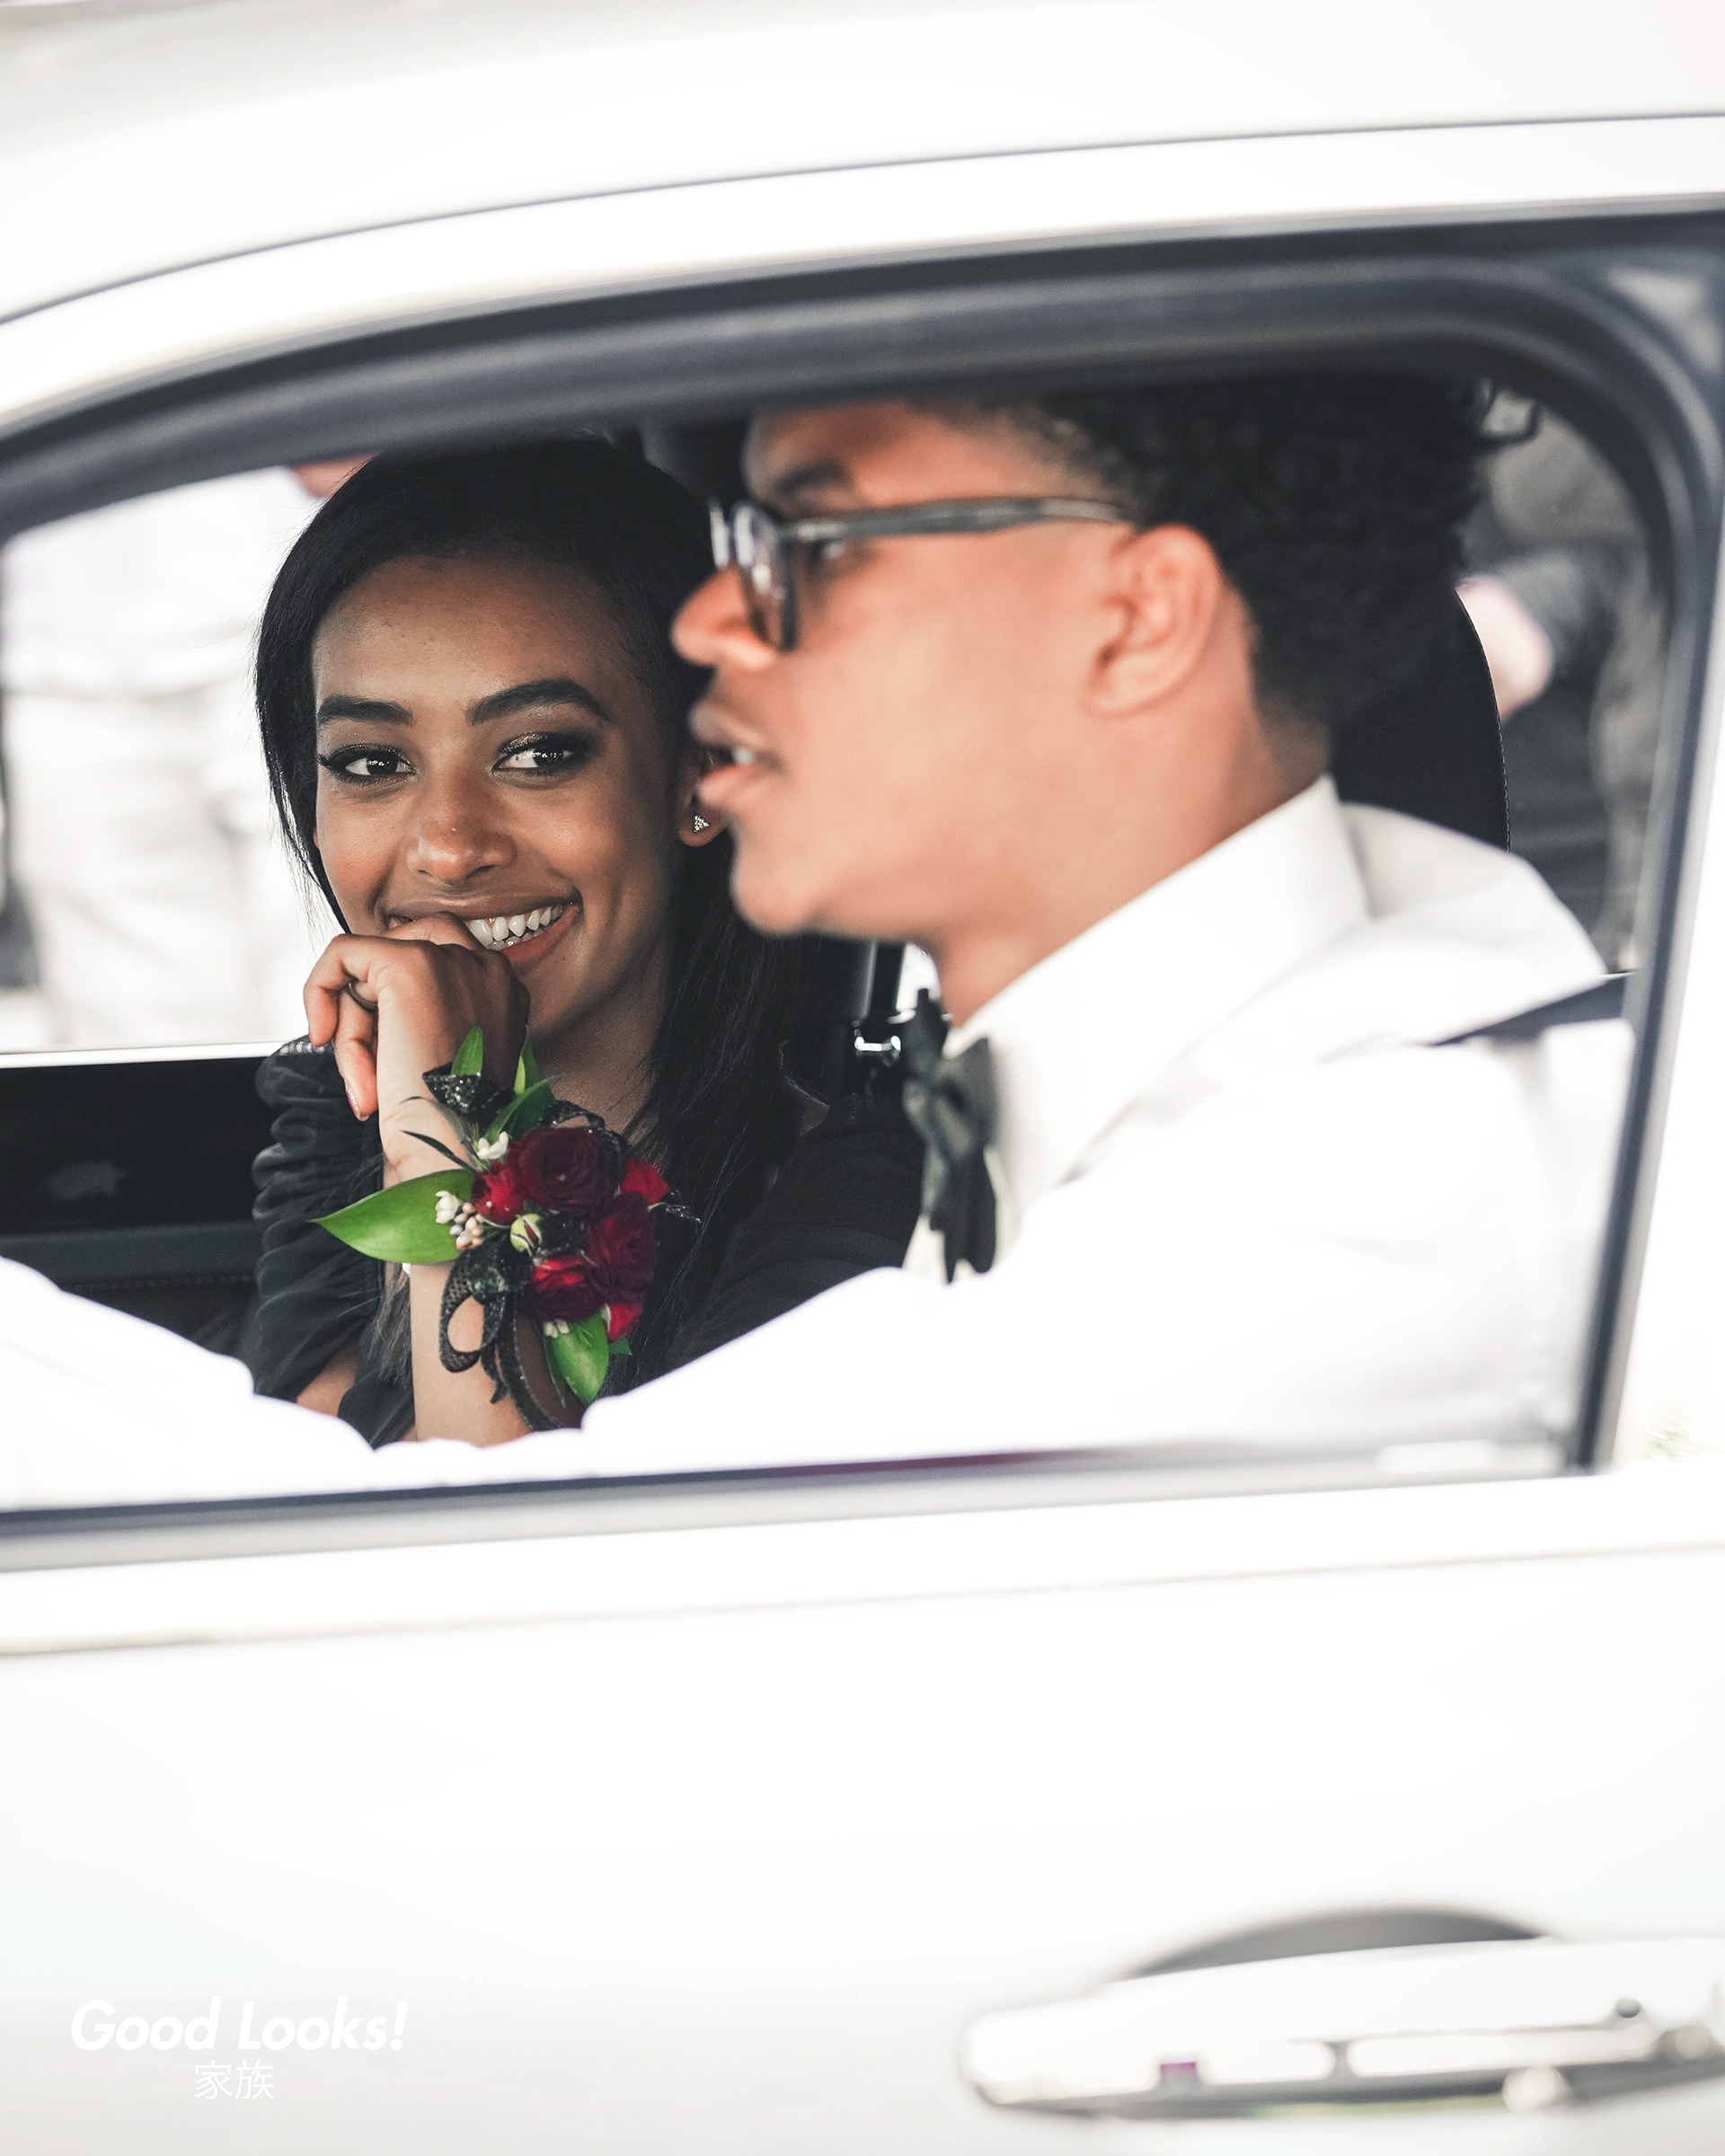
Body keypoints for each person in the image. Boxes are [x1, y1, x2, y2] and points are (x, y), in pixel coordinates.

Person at [0, 372, 1633, 1504]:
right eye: (366, 758)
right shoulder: (1253, 1089)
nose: (712, 626)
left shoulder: (1340, 1201)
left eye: (812, 544)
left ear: (1136, 621)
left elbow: (488, 1586)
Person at [237, 440, 922, 1446]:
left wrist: (451, 1138)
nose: (449, 846)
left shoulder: (853, 1198)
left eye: (539, 752)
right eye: (374, 762)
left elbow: (517, 1575)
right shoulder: (341, 1119)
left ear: (698, 775)